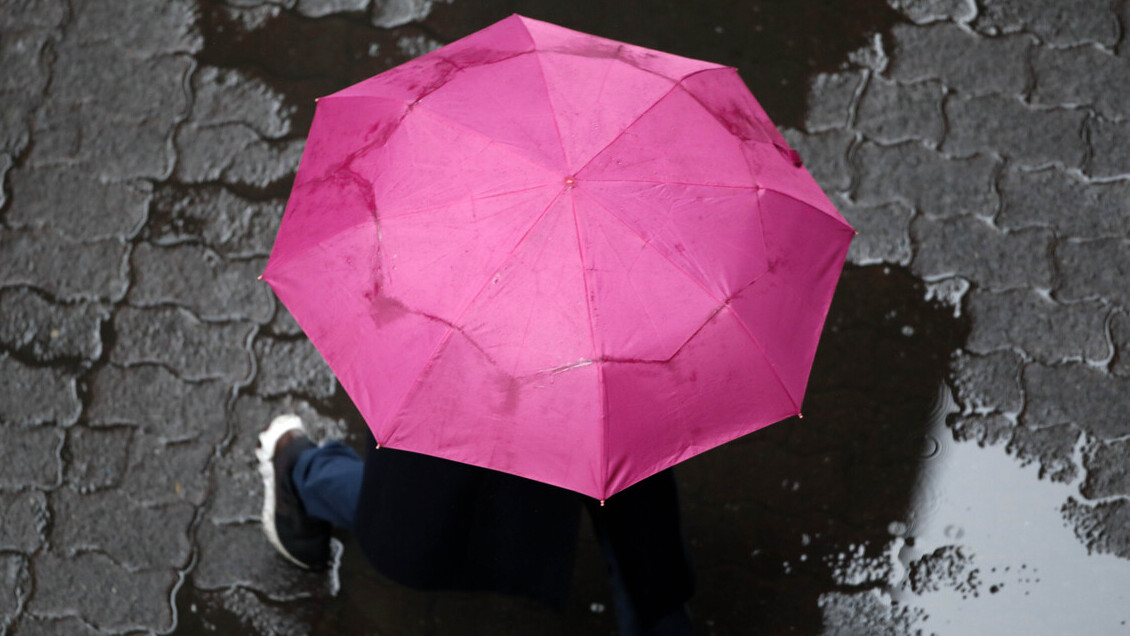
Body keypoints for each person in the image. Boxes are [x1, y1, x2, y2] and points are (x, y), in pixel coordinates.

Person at [257, 414, 695, 635]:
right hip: (486, 380)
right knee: (424, 518)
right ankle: (302, 473)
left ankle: (658, 617)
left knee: (641, 536)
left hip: (618, 380)